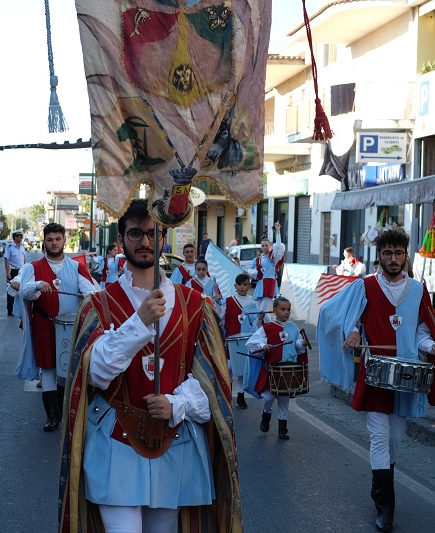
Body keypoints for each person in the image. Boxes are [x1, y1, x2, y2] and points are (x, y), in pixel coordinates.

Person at [58, 199, 241, 533]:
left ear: (163, 239)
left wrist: (177, 403)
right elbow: (94, 373)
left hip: (174, 438)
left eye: (151, 233)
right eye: (134, 233)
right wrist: (138, 323)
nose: (143, 241)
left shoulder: (196, 304)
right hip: (114, 436)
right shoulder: (98, 304)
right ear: (121, 240)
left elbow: (213, 380)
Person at [317, 228, 435, 533]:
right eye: (387, 253)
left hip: (405, 374)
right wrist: (353, 331)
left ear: (405, 255)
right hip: (375, 372)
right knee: (379, 436)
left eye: (398, 253)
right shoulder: (364, 286)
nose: (393, 259)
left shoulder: (417, 289)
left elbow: (420, 332)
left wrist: (433, 346)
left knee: (394, 439)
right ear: (380, 255)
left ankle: (382, 488)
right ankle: (385, 505)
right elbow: (335, 314)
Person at [17, 223, 98, 432]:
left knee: (66, 369)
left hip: (70, 327)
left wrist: (88, 295)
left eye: (58, 239)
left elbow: (91, 291)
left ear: (64, 240)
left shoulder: (76, 267)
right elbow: (24, 292)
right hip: (44, 324)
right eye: (50, 240)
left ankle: (64, 411)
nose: (54, 243)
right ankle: (52, 417)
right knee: (49, 370)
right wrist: (37, 285)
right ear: (45, 241)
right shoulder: (33, 268)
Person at [244, 296, 309, 439]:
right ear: (274, 310)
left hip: (288, 369)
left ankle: (282, 428)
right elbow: (251, 343)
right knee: (268, 397)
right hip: (271, 370)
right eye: (282, 309)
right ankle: (266, 414)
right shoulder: (267, 328)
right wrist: (263, 346)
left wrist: (302, 344)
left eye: (288, 309)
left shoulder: (293, 328)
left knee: (284, 401)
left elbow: (297, 346)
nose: (286, 312)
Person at [223, 272, 259, 409]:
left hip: (245, 339)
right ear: (235, 286)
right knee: (230, 368)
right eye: (240, 284)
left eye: (245, 284)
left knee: (242, 369)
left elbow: (255, 323)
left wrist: (259, 318)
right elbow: (221, 317)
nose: (242, 287)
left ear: (249, 286)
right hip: (231, 339)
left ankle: (240, 397)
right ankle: (228, 397)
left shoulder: (252, 303)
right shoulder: (228, 301)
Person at [250, 221, 285, 313]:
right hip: (260, 285)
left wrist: (278, 231)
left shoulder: (273, 257)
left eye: (266, 246)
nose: (264, 247)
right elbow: (254, 274)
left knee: (263, 311)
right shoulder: (257, 259)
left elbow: (278, 246)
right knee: (259, 312)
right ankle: (262, 326)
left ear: (270, 247)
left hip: (269, 284)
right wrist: (248, 273)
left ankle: (263, 327)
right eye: (263, 245)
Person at [5, 229, 27, 316]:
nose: (21, 238)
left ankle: (20, 309)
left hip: (21, 270)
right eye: (19, 236)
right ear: (15, 237)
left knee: (21, 289)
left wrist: (26, 269)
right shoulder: (9, 247)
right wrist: (8, 272)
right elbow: (6, 260)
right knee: (11, 290)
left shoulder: (22, 246)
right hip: (13, 270)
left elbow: (24, 258)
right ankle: (10, 309)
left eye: (22, 236)